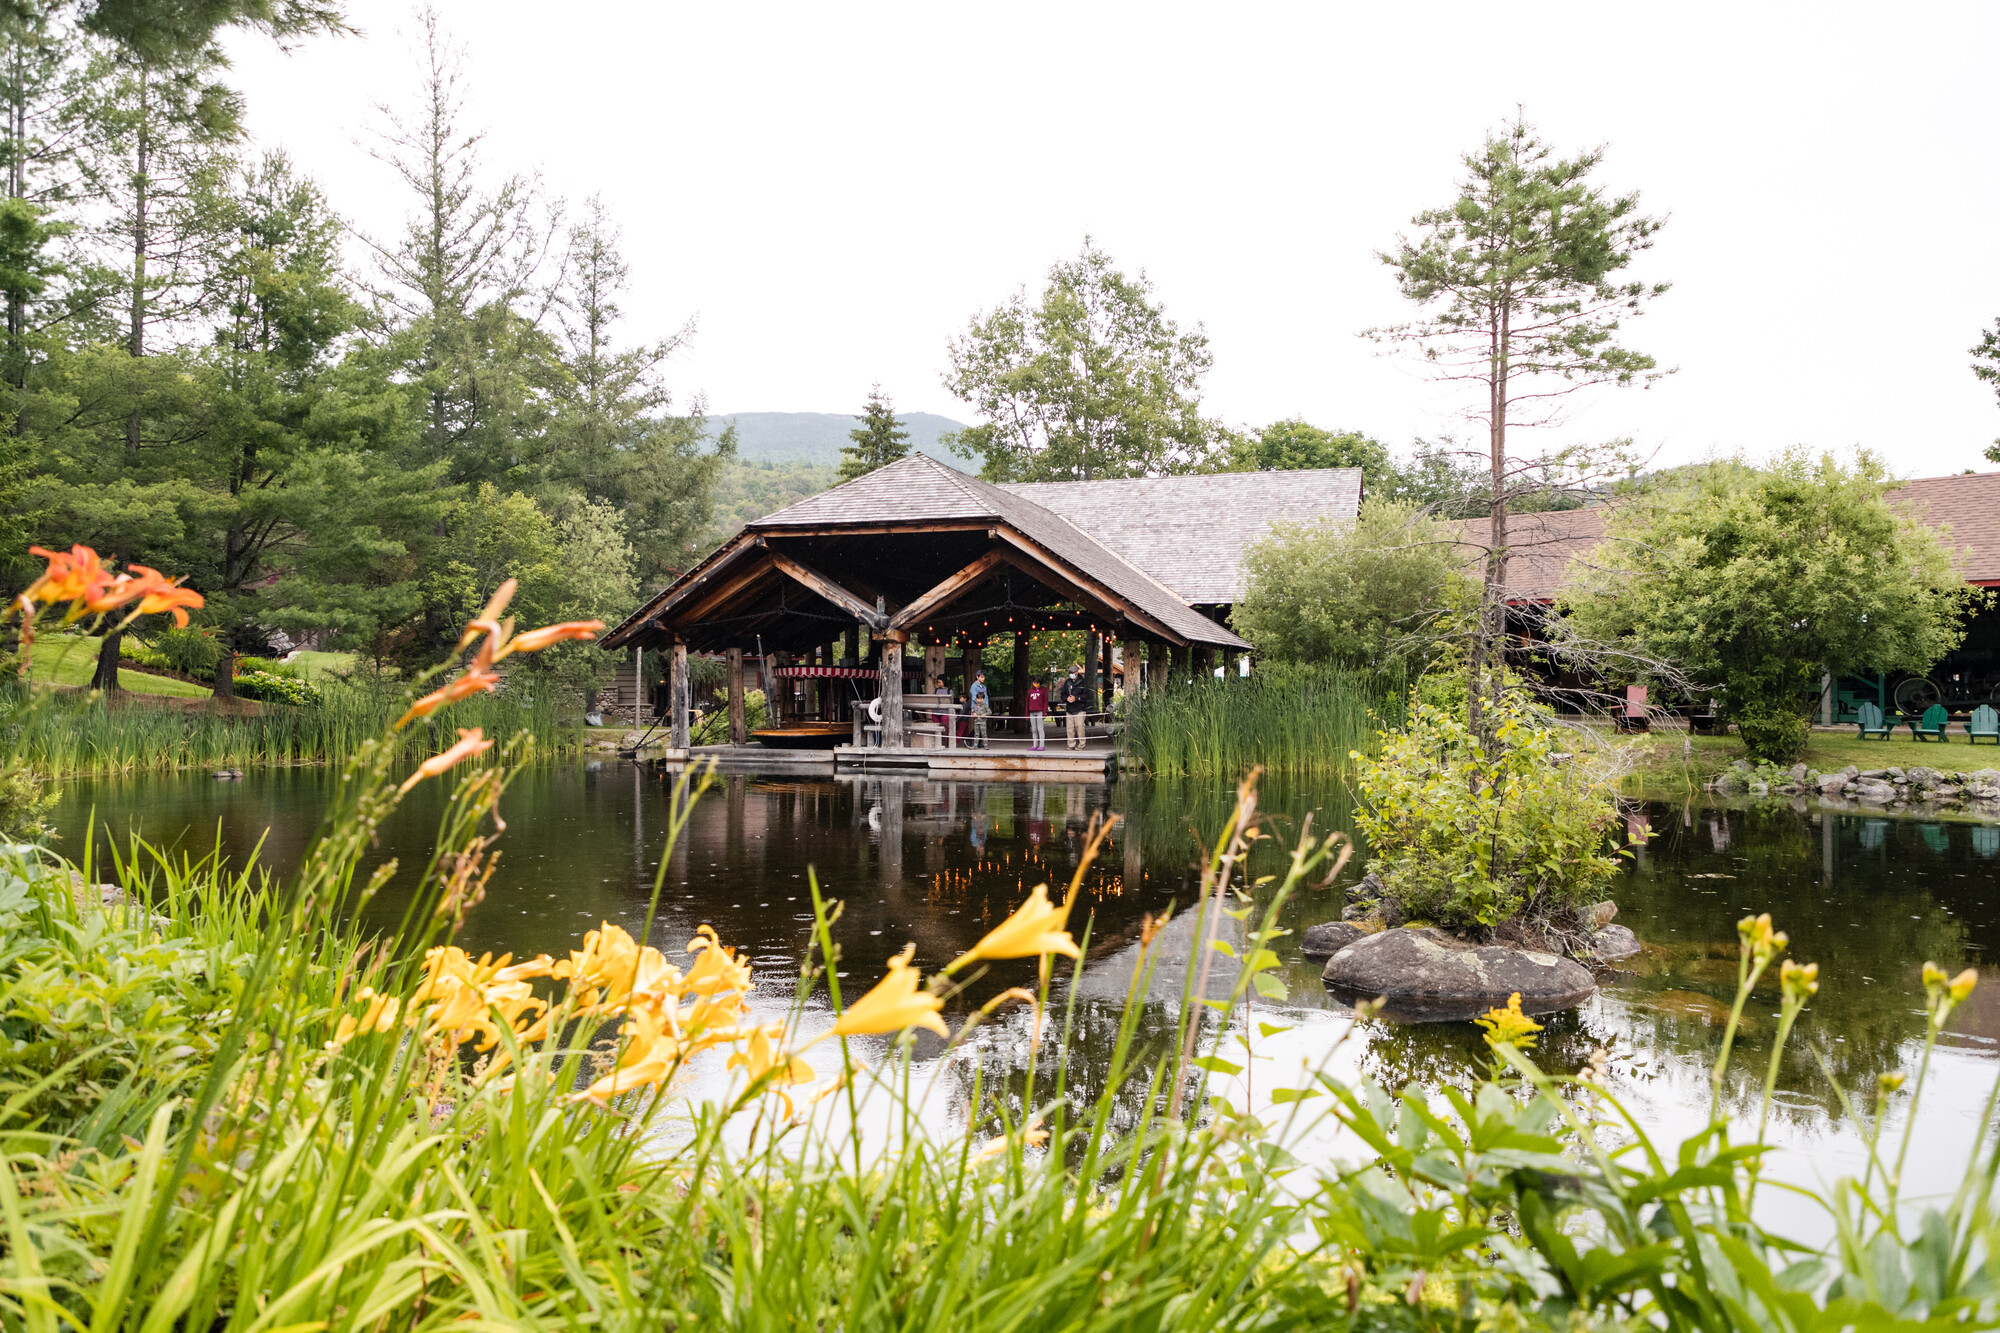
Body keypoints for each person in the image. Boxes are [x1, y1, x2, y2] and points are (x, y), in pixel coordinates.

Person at [1062, 663, 1088, 750]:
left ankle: (1082, 744)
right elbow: (1063, 695)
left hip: (1080, 708)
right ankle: (1071, 744)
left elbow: (1086, 696)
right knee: (1069, 728)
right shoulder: (1067, 682)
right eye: (1070, 672)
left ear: (1077, 672)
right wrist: (1067, 698)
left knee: (1080, 726)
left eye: (1073, 672)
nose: (1071, 674)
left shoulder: (1083, 682)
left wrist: (1076, 698)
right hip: (1069, 709)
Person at [1024, 676, 1048, 751]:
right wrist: (1026, 714)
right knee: (1034, 729)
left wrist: (1044, 712)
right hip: (1032, 712)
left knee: (1040, 728)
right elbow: (1027, 702)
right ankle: (1035, 745)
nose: (1036, 684)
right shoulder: (1029, 691)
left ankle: (1041, 745)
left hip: (1040, 712)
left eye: (1038, 683)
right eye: (1035, 682)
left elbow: (1045, 702)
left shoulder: (1043, 690)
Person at [969, 669, 991, 749]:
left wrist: (986, 706)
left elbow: (986, 697)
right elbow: (974, 698)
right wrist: (980, 704)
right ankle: (969, 739)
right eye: (981, 677)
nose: (983, 678)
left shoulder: (984, 687)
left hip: (984, 707)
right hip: (977, 707)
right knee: (977, 725)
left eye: (984, 677)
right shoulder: (974, 686)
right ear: (977, 677)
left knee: (983, 725)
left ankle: (980, 743)